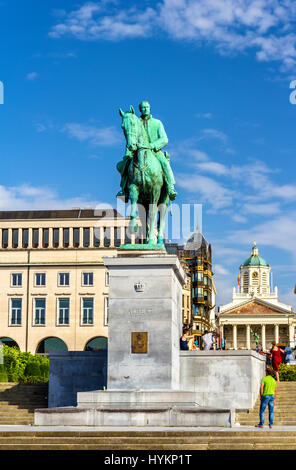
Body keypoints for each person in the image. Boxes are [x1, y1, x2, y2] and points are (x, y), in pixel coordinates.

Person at [116, 101, 177, 201]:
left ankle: (170, 188)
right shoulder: (135, 121)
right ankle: (124, 190)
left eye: (147, 107)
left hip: (155, 151)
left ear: (150, 108)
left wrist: (152, 145)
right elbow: (131, 136)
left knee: (165, 163)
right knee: (124, 166)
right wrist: (128, 153)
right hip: (136, 152)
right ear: (140, 109)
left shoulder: (157, 123)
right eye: (143, 108)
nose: (145, 109)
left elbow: (164, 139)